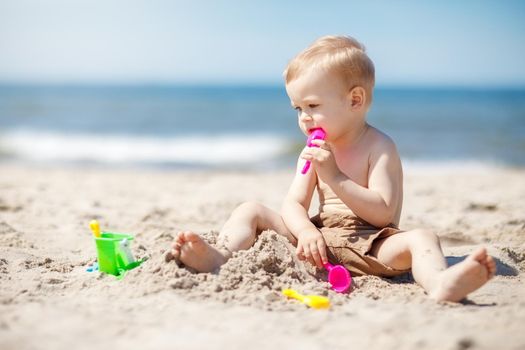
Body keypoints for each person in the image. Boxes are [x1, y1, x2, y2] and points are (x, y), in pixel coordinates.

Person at [170, 35, 496, 302]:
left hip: (370, 242)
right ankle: (221, 256)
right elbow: (294, 204)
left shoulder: (380, 147)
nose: (304, 117)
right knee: (250, 209)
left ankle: (440, 282)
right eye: (298, 108)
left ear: (355, 101)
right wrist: (307, 231)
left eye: (313, 106)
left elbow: (383, 214)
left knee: (422, 238)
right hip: (319, 240)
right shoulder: (312, 151)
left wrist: (336, 178)